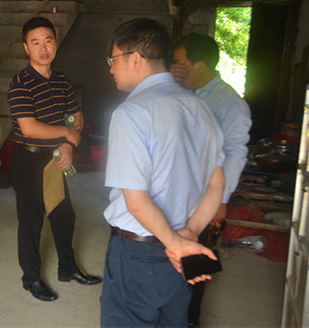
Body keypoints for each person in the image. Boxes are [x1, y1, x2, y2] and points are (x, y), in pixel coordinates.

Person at [101, 18, 226, 327]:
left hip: (138, 253)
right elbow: (216, 184)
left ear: (135, 59)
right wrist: (190, 234)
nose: (111, 69)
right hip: (183, 247)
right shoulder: (202, 109)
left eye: (113, 60)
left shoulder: (131, 113)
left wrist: (176, 244)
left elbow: (136, 203)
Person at [7, 16, 102, 303]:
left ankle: (67, 269)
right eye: (35, 42)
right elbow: (29, 128)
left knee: (64, 215)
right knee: (31, 222)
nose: (43, 48)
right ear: (26, 48)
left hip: (57, 158)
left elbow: (75, 115)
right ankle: (31, 278)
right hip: (29, 161)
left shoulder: (62, 81)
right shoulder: (20, 83)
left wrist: (68, 144)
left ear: (55, 43)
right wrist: (65, 133)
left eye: (48, 41)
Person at [171, 33, 252, 327]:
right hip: (178, 191)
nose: (175, 67)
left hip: (205, 196)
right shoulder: (182, 93)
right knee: (174, 254)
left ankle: (190, 319)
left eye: (179, 61)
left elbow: (235, 153)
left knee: (195, 260)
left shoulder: (229, 102)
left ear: (200, 65)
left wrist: (221, 200)